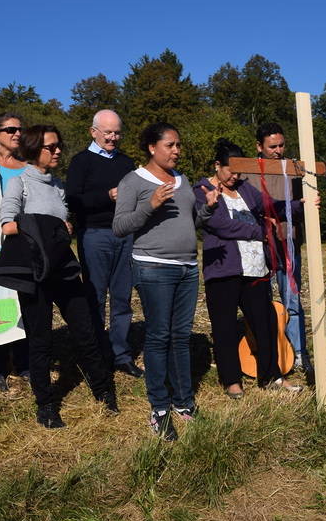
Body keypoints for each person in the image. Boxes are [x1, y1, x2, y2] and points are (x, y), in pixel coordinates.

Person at [0, 125, 118, 429]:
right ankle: (46, 405)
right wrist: (52, 225)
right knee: (41, 341)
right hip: (34, 272)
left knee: (86, 330)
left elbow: (61, 223)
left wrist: (64, 227)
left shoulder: (58, 185)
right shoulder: (20, 184)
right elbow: (8, 226)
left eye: (59, 145)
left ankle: (102, 390)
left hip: (63, 268)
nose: (58, 150)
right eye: (51, 146)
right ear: (34, 150)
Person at [113, 122, 219, 441]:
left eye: (178, 144)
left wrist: (208, 210)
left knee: (181, 337)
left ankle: (184, 402)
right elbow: (120, 226)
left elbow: (191, 222)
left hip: (187, 267)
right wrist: (150, 205)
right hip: (153, 267)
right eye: (169, 145)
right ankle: (159, 408)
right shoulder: (133, 181)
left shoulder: (182, 180)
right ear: (152, 147)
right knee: (159, 336)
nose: (176, 150)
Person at [193, 139, 302, 399]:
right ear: (217, 165)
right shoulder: (202, 189)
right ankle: (232, 381)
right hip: (223, 269)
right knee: (225, 327)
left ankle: (272, 376)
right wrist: (259, 231)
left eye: (239, 172)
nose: (235, 176)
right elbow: (219, 224)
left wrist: (300, 205)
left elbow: (270, 206)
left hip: (255, 269)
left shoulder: (245, 188)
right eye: (231, 171)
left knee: (266, 322)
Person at [64, 109, 141, 378]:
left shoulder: (126, 162)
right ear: (93, 131)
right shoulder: (80, 161)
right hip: (94, 235)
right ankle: (95, 355)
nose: (113, 137)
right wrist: (106, 196)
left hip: (125, 234)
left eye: (117, 133)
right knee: (94, 297)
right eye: (108, 132)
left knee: (122, 297)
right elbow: (73, 201)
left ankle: (120, 354)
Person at [239, 123, 313, 377]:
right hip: (258, 248)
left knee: (292, 301)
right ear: (259, 146)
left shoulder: (295, 170)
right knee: (263, 303)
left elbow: (303, 205)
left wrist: (301, 208)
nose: (278, 150)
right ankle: (270, 354)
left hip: (288, 244)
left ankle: (299, 354)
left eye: (281, 145)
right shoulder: (246, 171)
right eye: (272, 146)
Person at [0, 113, 29, 391]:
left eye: (20, 129)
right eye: (10, 129)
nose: (17, 133)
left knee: (24, 302)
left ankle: (25, 363)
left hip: (21, 243)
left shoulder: (28, 168)